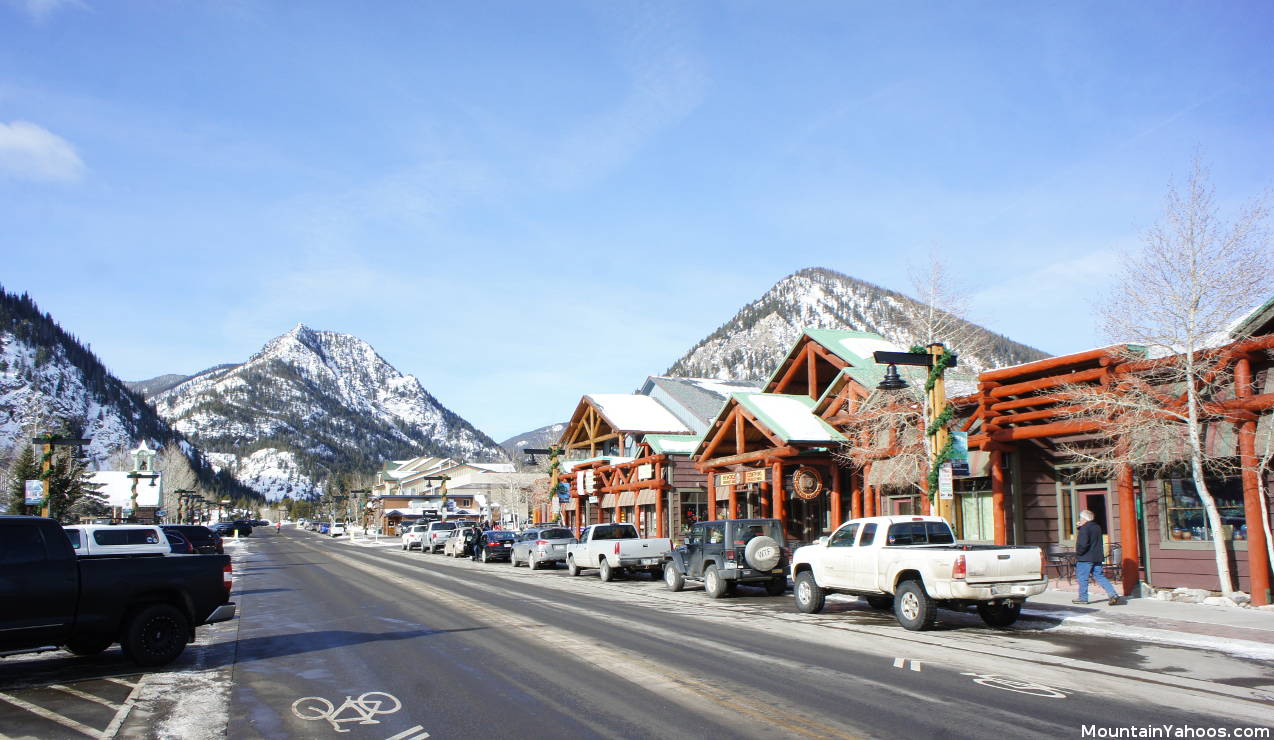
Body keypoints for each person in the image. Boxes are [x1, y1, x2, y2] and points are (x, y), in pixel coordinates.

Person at [1073, 510, 1123, 606]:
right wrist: (1081, 527)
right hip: (1097, 557)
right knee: (1099, 576)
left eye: (1081, 518)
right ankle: (1113, 594)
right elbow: (1091, 537)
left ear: (1084, 519)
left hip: (1085, 558)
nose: (1080, 519)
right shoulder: (1097, 527)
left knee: (1083, 578)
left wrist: (1078, 553)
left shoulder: (1085, 528)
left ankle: (1083, 598)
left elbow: (1083, 543)